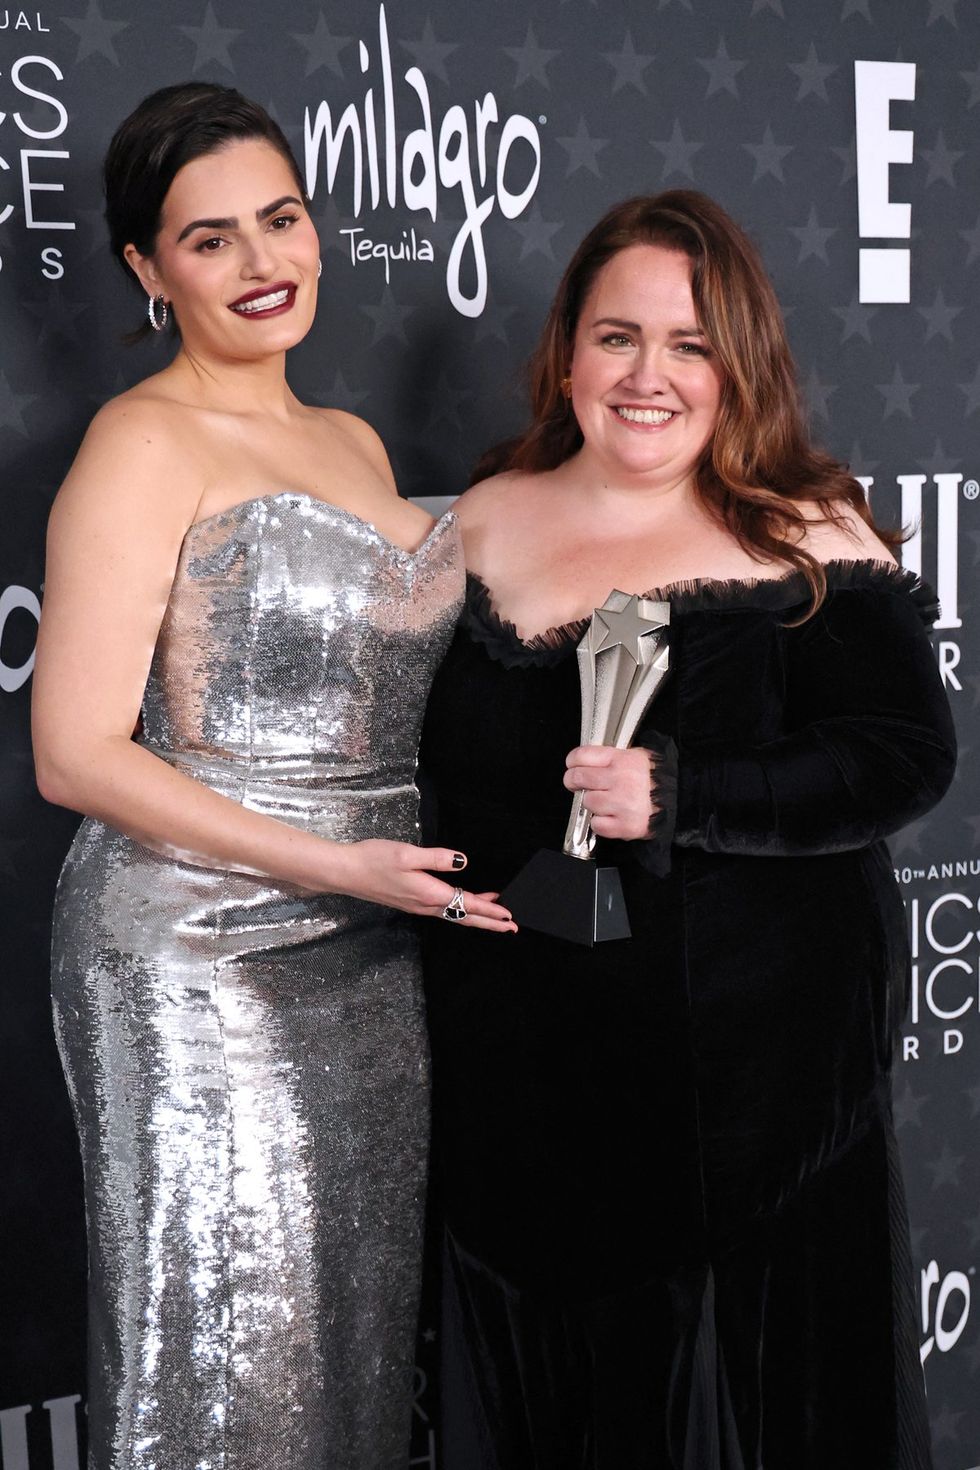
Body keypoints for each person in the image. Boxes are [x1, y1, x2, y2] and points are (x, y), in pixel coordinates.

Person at [420, 191, 955, 1468]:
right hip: (527, 1098)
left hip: (751, 1102)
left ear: (739, 364)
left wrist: (688, 794)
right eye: (616, 337)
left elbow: (900, 757)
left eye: (689, 343)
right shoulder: (477, 523)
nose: (647, 375)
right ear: (565, 353)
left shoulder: (802, 531)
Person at [31, 82, 513, 1470]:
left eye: (281, 219)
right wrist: (332, 865)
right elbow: (73, 753)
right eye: (210, 239)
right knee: (227, 1359)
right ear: (146, 269)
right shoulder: (140, 441)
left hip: (375, 943)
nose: (262, 264)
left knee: (343, 1353)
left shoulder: (354, 442)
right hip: (199, 953)